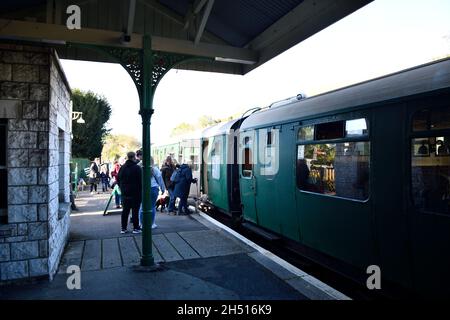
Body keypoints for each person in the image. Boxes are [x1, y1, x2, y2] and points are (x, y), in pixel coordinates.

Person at [117, 152, 142, 234]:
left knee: (125, 211)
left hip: (125, 193)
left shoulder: (122, 168)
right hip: (136, 193)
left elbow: (118, 179)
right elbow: (141, 181)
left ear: (127, 157)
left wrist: (122, 188)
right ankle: (136, 228)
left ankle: (123, 228)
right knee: (135, 211)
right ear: (134, 157)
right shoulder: (137, 168)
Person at [139, 156, 165, 229]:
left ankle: (141, 224)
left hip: (142, 189)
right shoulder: (155, 169)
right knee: (152, 206)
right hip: (153, 188)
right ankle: (152, 223)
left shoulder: (139, 168)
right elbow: (160, 179)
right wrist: (163, 189)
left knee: (142, 206)